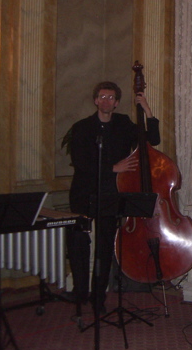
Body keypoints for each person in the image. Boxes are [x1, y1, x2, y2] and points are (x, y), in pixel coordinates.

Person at [66, 81, 160, 314]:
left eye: (111, 98)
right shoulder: (82, 127)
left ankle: (98, 299)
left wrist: (147, 111)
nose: (106, 101)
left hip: (111, 194)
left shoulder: (123, 124)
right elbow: (81, 163)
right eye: (102, 97)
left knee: (105, 247)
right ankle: (80, 293)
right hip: (84, 193)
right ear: (95, 100)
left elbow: (152, 140)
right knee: (78, 245)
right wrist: (112, 168)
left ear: (116, 103)